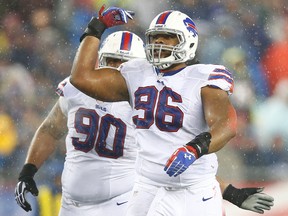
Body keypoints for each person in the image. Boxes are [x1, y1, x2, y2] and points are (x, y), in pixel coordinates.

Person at [69, 5, 273, 216]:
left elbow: (226, 125)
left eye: (167, 37)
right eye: (155, 37)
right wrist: (97, 27)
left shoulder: (204, 77)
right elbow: (81, 78)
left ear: (188, 40)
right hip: (146, 186)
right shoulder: (136, 72)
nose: (158, 42)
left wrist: (195, 148)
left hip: (193, 191)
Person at [14, 30, 146, 216]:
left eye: (125, 64)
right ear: (100, 60)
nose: (117, 69)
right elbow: (50, 130)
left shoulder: (146, 101)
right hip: (71, 204)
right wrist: (27, 171)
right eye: (112, 60)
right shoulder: (77, 89)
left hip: (121, 202)